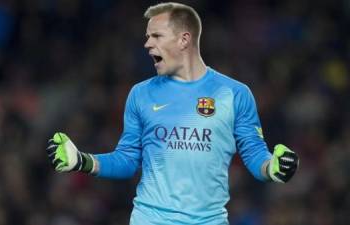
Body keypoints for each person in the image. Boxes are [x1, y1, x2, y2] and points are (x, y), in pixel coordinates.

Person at [47, 2, 299, 225]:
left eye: (156, 36)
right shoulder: (141, 94)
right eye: (147, 36)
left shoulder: (233, 94)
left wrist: (273, 168)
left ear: (184, 40)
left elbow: (255, 154)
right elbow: (127, 159)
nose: (147, 44)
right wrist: (81, 160)